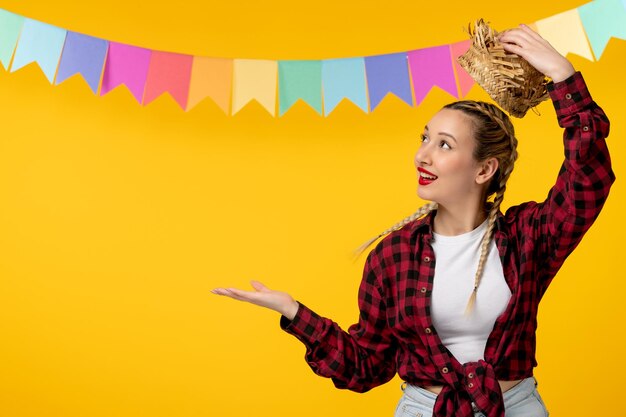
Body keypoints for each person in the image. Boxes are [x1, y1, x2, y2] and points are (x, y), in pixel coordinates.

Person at [211, 24, 615, 417]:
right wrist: (295, 313)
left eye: (444, 145)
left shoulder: (527, 238)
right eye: (424, 138)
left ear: (483, 169)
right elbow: (367, 367)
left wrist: (564, 78)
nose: (422, 156)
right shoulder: (393, 256)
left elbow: (587, 180)